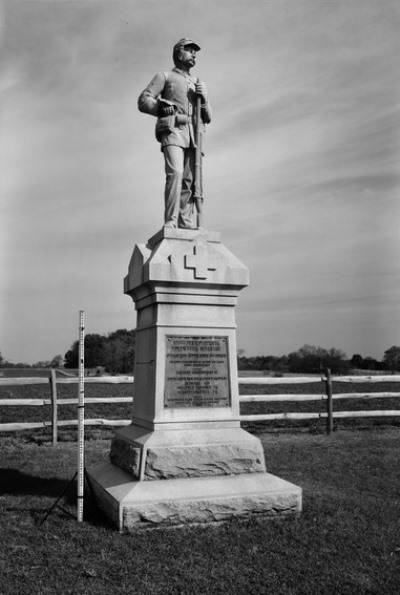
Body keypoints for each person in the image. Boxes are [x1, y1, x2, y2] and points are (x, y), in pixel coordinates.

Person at [138, 38, 212, 229]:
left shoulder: (198, 82)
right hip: (173, 131)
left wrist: (203, 98)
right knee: (176, 174)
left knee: (190, 181)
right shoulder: (165, 76)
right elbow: (144, 100)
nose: (193, 54)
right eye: (189, 50)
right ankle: (171, 221)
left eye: (195, 52)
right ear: (179, 53)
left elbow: (208, 116)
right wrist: (161, 106)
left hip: (194, 136)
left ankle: (185, 222)